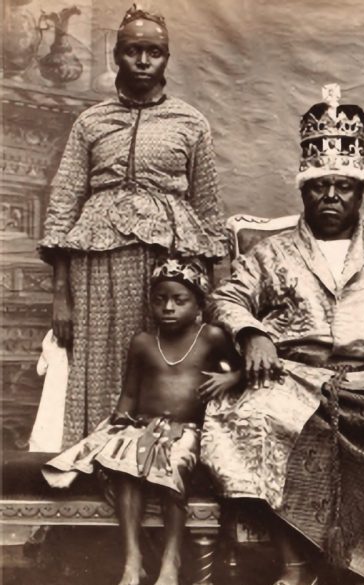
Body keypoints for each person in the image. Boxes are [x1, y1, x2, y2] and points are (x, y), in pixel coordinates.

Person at [201, 84, 364, 585]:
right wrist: (251, 334)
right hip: (291, 375)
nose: (331, 197)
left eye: (343, 188)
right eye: (320, 188)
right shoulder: (273, 252)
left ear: (360, 193)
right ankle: (296, 574)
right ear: (305, 193)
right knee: (263, 418)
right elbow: (227, 296)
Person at [38, 4, 227, 448]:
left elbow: (208, 210)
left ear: (166, 58)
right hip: (96, 268)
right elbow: (63, 207)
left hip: (170, 266)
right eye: (133, 51)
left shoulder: (190, 122)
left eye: (155, 52)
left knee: (168, 363)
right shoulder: (91, 122)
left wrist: (213, 300)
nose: (144, 61)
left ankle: (157, 471)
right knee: (100, 361)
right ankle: (98, 468)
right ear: (116, 56)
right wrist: (60, 295)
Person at [42, 258, 241, 585]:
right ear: (150, 303)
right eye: (160, 299)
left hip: (186, 430)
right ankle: (132, 557)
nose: (168, 307)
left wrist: (231, 377)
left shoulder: (212, 338)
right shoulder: (143, 342)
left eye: (180, 300)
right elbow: (130, 393)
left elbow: (243, 369)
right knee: (123, 465)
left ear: (198, 305)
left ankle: (170, 558)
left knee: (173, 467)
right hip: (142, 425)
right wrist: (118, 422)